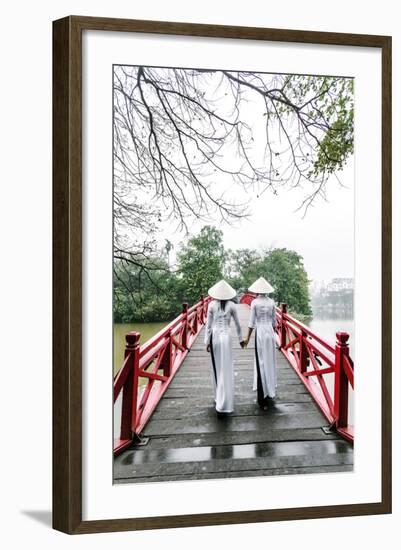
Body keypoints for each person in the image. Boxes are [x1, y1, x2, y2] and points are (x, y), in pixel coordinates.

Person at [205, 279, 245, 416]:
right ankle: (226, 399)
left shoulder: (211, 305)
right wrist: (241, 340)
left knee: (216, 366)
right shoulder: (232, 306)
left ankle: (218, 397)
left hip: (215, 337)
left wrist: (207, 342)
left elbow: (208, 326)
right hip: (227, 337)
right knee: (226, 367)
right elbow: (239, 325)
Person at [243, 276, 277, 410]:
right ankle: (270, 392)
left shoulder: (255, 303)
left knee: (260, 363)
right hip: (270, 333)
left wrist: (247, 338)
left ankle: (261, 398)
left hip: (261, 333)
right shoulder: (272, 302)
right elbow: (274, 322)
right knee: (269, 362)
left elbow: (251, 323)